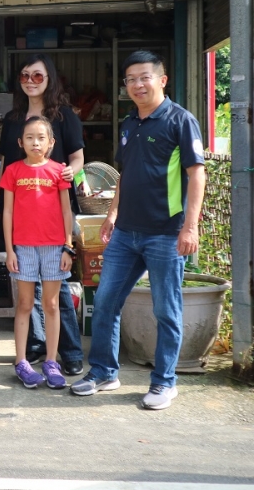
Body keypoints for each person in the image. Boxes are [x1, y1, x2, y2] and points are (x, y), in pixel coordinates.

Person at [71, 51, 205, 410]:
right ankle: (103, 372)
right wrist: (112, 214)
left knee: (166, 310)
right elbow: (125, 175)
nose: (137, 84)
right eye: (130, 79)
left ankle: (164, 383)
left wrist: (189, 227)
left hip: (165, 233)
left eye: (144, 77)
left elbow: (197, 175)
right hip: (126, 233)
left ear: (162, 80)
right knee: (105, 304)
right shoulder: (130, 123)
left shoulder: (181, 121)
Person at [0, 54, 86, 376]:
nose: (30, 80)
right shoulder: (14, 117)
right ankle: (34, 347)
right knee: (27, 288)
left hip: (55, 210)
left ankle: (68, 353)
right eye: (25, 75)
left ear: (50, 78)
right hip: (20, 208)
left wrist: (67, 175)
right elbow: (5, 163)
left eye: (38, 75)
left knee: (56, 286)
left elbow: (77, 158)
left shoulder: (64, 115)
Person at [0, 117, 74, 390]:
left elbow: (67, 211)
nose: (35, 142)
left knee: (52, 305)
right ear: (21, 142)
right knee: (24, 304)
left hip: (55, 247)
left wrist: (68, 245)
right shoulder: (13, 171)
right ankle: (21, 362)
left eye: (41, 137)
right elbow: (7, 212)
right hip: (24, 248)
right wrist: (9, 249)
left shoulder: (58, 172)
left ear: (51, 143)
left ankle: (51, 362)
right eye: (29, 137)